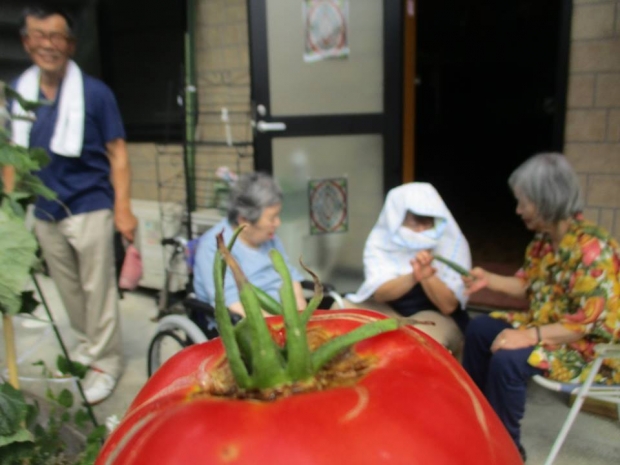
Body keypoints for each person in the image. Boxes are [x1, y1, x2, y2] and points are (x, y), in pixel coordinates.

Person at [9, 5, 137, 405]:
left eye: (57, 37)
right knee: (69, 291)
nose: (48, 45)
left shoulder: (96, 94)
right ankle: (90, 346)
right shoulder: (20, 93)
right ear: (26, 41)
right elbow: (12, 154)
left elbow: (117, 153)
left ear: (71, 44)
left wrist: (123, 209)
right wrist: (12, 208)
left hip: (90, 204)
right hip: (47, 210)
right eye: (39, 36)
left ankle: (108, 362)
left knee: (96, 290)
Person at [461, 153, 620, 461]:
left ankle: (506, 451)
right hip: (552, 326)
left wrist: (530, 336)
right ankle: (477, 423)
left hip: (590, 347)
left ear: (547, 200)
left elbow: (585, 323)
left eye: (524, 202)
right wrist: (489, 280)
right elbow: (528, 286)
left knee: (509, 358)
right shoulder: (542, 243)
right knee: (480, 328)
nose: (518, 210)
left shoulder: (591, 249)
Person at [345, 182, 472, 356]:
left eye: (427, 222)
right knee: (342, 312)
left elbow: (448, 306)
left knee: (417, 341)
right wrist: (413, 276)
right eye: (414, 221)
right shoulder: (380, 242)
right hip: (391, 310)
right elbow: (381, 294)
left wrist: (428, 276)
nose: (421, 229)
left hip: (435, 316)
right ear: (396, 219)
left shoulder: (452, 243)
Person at [194, 172, 307, 316]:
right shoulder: (214, 247)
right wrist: (277, 325)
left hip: (283, 318)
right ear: (244, 221)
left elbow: (290, 278)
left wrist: (302, 318)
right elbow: (232, 304)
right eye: (272, 218)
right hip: (249, 323)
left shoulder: (269, 238)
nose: (278, 223)